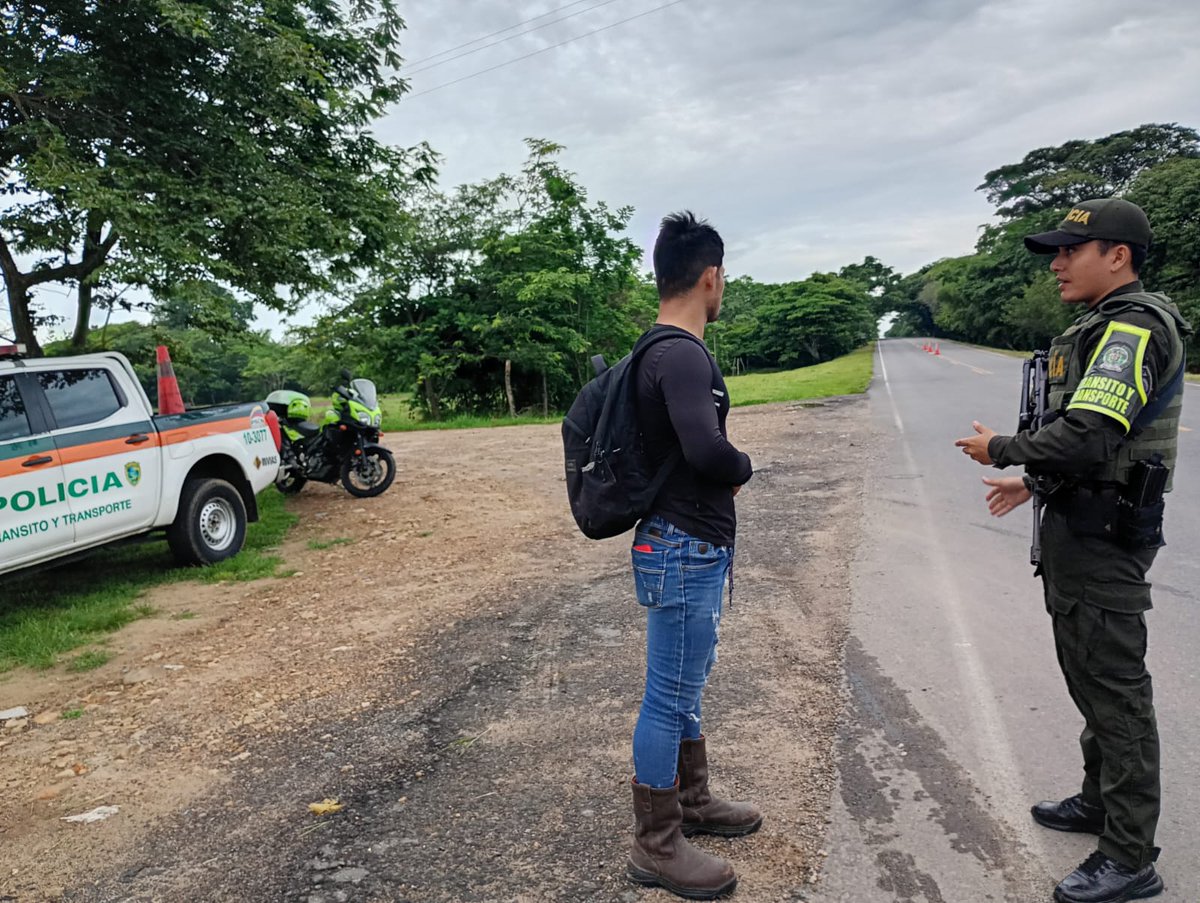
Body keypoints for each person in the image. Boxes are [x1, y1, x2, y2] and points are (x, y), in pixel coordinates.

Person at [955, 198, 1190, 903]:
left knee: (1116, 691)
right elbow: (1094, 443)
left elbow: (1089, 433)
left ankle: (1129, 854)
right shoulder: (1102, 326)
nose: (1056, 263)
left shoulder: (1133, 329)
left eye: (1069, 251)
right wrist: (1031, 479)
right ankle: (1098, 801)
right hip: (1080, 532)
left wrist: (1001, 446)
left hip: (1104, 539)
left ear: (1117, 255)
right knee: (1089, 674)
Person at [625, 211, 759, 900]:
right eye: (723, 277)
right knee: (667, 694)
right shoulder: (680, 353)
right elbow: (706, 449)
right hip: (681, 545)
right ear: (711, 277)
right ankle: (656, 843)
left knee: (685, 687)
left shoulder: (663, 349)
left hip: (682, 543)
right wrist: (744, 464)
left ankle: (693, 801)